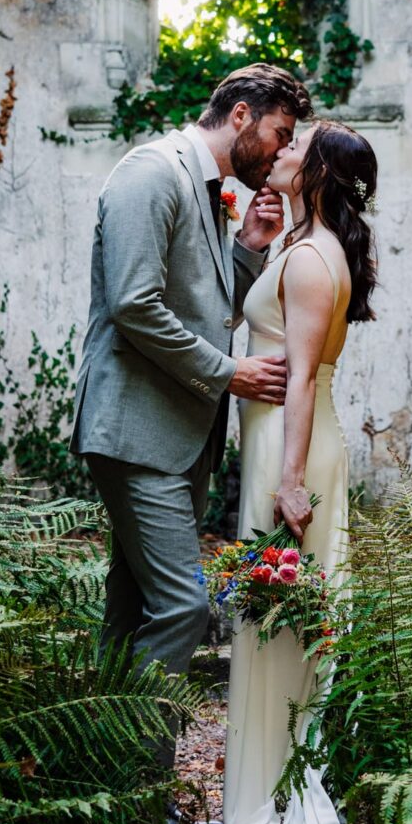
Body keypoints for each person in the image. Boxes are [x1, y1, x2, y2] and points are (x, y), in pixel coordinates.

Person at [69, 64, 313, 783]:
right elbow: (135, 305)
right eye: (278, 133)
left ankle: (94, 785)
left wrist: (248, 246)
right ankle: (139, 788)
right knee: (182, 605)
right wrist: (229, 373)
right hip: (134, 428)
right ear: (240, 115)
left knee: (132, 607)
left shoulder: (210, 192)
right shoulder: (152, 173)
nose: (280, 150)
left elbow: (205, 307)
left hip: (171, 434)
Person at [177, 120, 378, 824]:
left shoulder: (312, 261)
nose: (282, 151)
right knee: (273, 622)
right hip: (279, 445)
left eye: (297, 147)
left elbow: (295, 383)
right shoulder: (298, 249)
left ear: (318, 173)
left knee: (282, 623)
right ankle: (267, 791)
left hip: (293, 453)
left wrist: (290, 482)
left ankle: (276, 805)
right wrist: (257, 247)